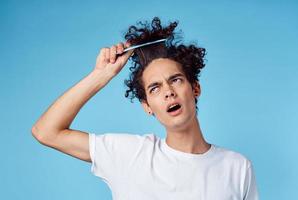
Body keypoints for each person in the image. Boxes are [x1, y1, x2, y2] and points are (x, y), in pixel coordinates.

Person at [32, 17, 259, 200]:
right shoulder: (129, 155)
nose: (168, 91)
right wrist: (100, 76)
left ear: (195, 88)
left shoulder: (237, 167)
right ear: (147, 107)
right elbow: (46, 131)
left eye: (176, 80)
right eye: (154, 88)